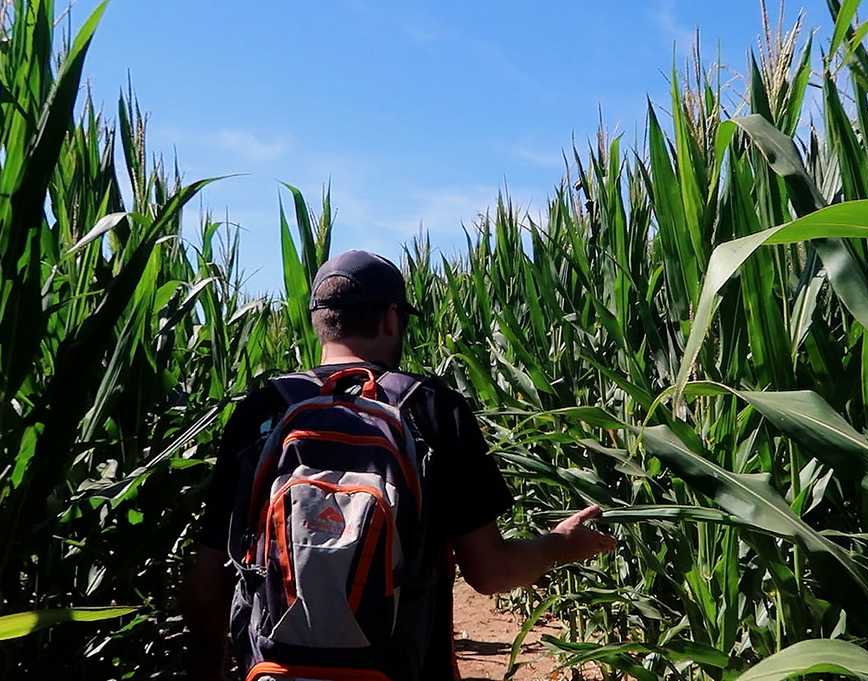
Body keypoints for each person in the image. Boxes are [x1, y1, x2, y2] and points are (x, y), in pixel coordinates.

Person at [181, 250, 616, 681]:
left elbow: (207, 581)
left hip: (275, 668)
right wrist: (561, 544)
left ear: (318, 323)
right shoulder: (431, 408)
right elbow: (489, 571)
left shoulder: (263, 410)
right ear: (391, 318)